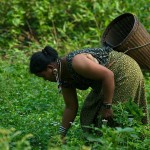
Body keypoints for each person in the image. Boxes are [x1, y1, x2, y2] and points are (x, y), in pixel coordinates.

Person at [29, 45, 149, 140]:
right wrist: (61, 135)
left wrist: (107, 106)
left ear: (50, 68)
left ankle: (128, 142)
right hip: (107, 81)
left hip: (124, 70)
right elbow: (71, 107)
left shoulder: (76, 62)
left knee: (115, 115)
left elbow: (108, 75)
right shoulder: (63, 76)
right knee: (88, 113)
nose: (44, 79)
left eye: (42, 75)